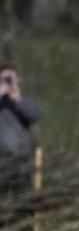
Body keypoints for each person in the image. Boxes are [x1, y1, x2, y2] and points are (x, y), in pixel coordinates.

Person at [0, 64, 39, 222]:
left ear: (19, 80)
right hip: (0, 156)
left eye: (11, 78)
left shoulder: (27, 101)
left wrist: (18, 100)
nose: (9, 81)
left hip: (21, 156)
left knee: (22, 196)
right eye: (5, 78)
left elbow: (32, 116)